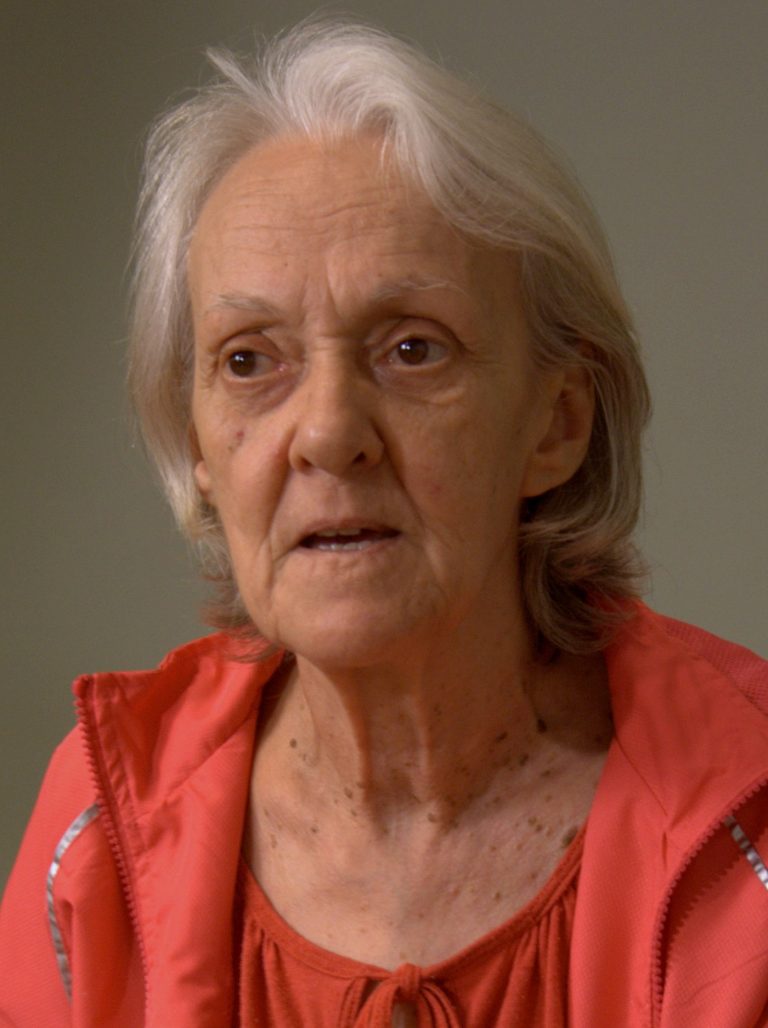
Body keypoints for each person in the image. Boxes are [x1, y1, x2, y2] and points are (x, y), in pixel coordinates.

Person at [1, 19, 766, 1028]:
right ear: (198, 445)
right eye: (248, 359)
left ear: (556, 423)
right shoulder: (98, 830)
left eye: (413, 348)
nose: (327, 432)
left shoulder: (750, 826)